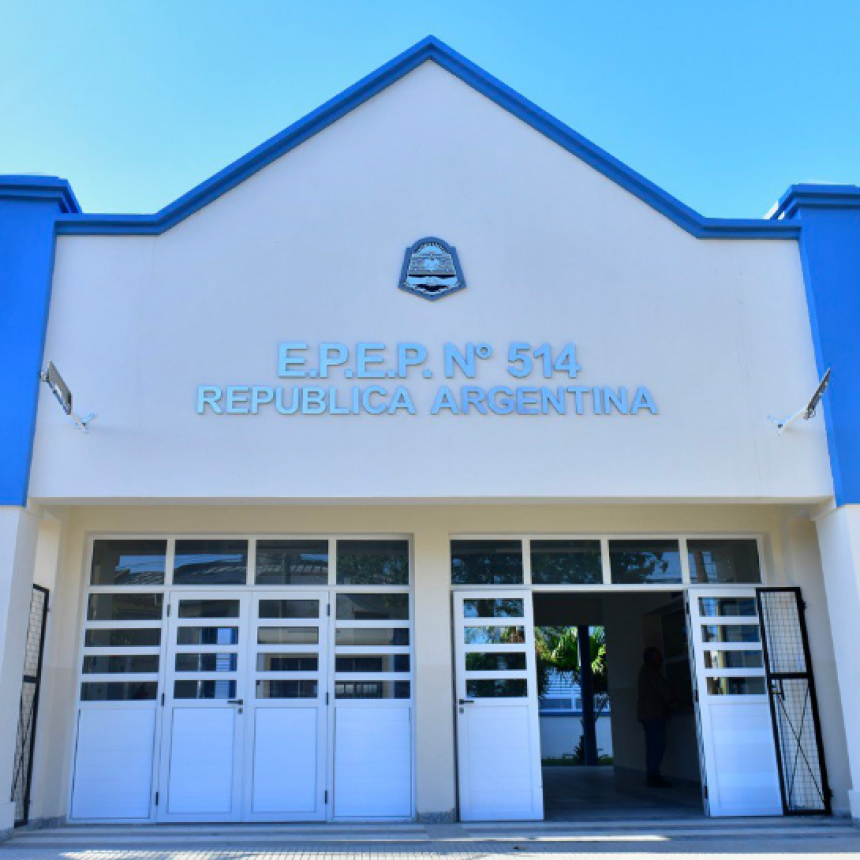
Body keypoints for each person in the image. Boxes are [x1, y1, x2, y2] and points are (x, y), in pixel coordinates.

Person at [637, 646, 679, 788]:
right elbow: (664, 690)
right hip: (653, 714)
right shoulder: (651, 672)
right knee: (657, 745)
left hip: (648, 714)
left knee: (652, 745)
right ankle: (653, 776)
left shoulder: (645, 671)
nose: (661, 660)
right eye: (659, 657)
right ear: (653, 658)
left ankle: (652, 775)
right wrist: (675, 702)